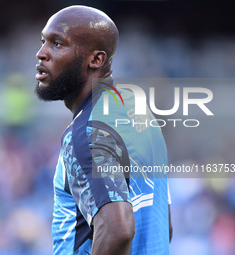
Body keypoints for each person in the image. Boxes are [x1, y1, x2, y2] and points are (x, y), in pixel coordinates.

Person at [35, 5, 172, 255]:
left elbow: (117, 230)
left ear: (96, 60)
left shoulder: (87, 132)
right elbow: (164, 223)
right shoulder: (137, 111)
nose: (41, 53)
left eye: (57, 44)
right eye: (43, 41)